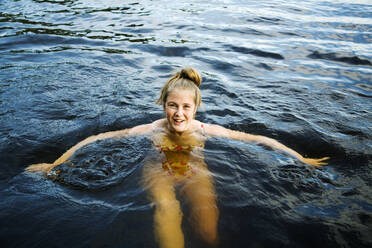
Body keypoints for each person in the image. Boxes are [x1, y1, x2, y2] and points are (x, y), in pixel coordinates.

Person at [26, 68, 329, 248]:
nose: (178, 113)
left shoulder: (206, 130)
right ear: (163, 105)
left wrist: (301, 159)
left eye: (186, 107)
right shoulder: (149, 129)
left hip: (197, 173)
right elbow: (97, 138)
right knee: (166, 210)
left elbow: (258, 139)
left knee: (209, 232)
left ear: (196, 108)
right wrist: (56, 164)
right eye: (172, 106)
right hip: (158, 172)